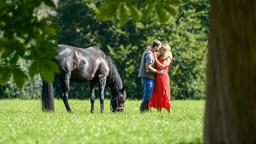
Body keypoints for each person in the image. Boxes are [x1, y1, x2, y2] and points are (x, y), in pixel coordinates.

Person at [138, 39, 165, 112]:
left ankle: (145, 111)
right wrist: (158, 72)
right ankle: (143, 111)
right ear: (155, 46)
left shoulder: (148, 51)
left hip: (147, 77)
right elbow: (148, 67)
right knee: (147, 96)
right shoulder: (149, 55)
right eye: (158, 47)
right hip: (148, 78)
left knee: (147, 95)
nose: (159, 49)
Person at [148, 43, 173, 113]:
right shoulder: (159, 56)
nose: (159, 50)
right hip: (157, 77)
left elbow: (162, 66)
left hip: (163, 78)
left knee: (164, 94)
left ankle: (169, 112)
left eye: (161, 49)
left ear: (165, 50)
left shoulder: (168, 57)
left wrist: (155, 58)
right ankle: (159, 113)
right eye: (160, 49)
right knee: (158, 94)